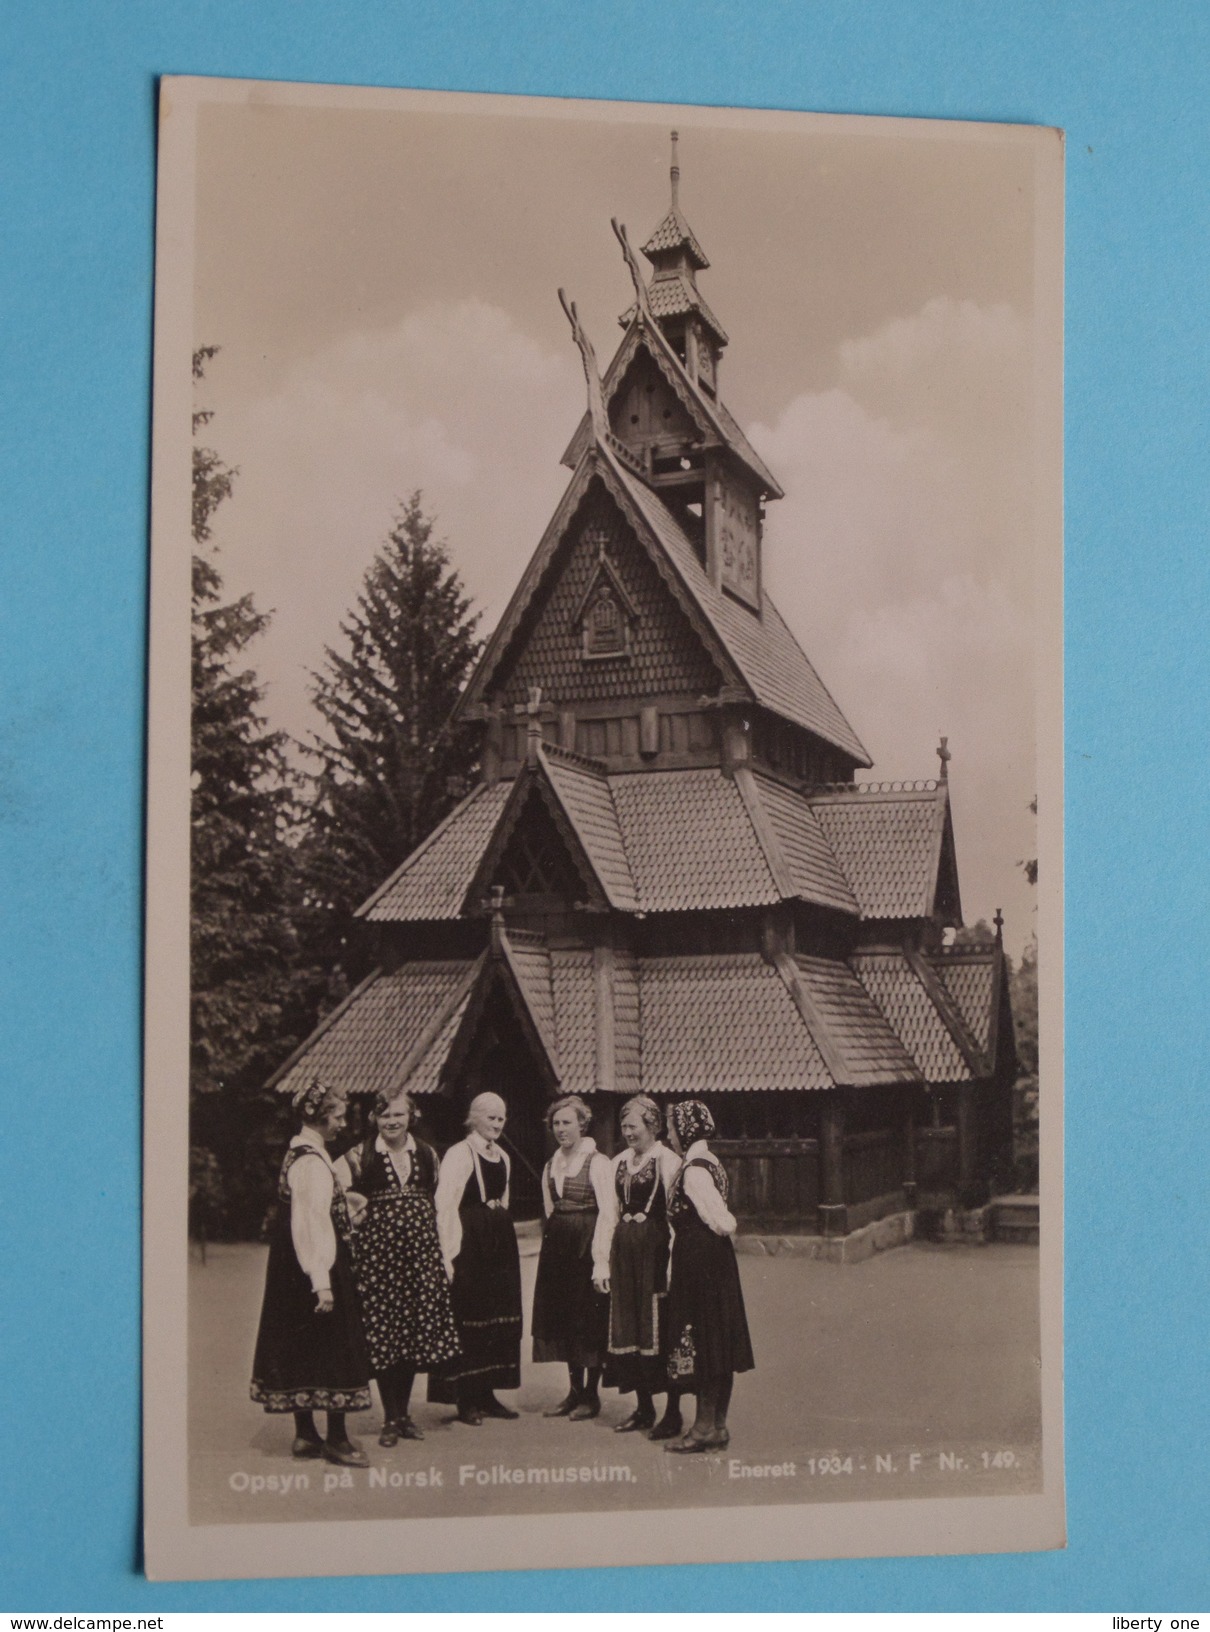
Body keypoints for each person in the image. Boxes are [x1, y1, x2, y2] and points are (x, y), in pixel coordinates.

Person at [250, 1080, 372, 1466]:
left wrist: (345, 1204)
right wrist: (322, 1282)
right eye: (337, 1117)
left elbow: (312, 1213)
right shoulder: (311, 1163)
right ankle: (336, 1439)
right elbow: (311, 1223)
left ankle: (305, 1435)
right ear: (319, 1119)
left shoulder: (301, 1154)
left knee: (303, 1344)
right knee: (336, 1344)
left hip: (293, 1267)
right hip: (315, 1265)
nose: (342, 1125)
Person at [334, 1089, 461, 1446]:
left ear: (411, 1117)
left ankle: (404, 1414)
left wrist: (441, 1257)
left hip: (418, 1258)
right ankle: (390, 1417)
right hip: (378, 1263)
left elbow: (436, 1203)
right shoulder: (358, 1156)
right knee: (384, 1337)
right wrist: (357, 1218)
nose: (391, 1122)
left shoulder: (426, 1153)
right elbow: (335, 1197)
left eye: (398, 1115)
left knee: (410, 1338)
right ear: (374, 1119)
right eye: (385, 1115)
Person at [662, 1099, 755, 1453]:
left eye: (672, 1128)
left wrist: (705, 1234)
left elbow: (722, 1220)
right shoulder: (708, 1160)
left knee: (703, 1337)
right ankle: (716, 1425)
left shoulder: (695, 1170)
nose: (669, 1135)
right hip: (712, 1260)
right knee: (717, 1337)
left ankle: (703, 1429)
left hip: (700, 1259)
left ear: (685, 1130)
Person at [428, 1091, 523, 1425]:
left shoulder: (504, 1156)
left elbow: (503, 1199)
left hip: (498, 1244)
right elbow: (445, 1205)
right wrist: (448, 1255)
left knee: (497, 1315)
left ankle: (487, 1392)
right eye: (491, 1118)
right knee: (470, 1314)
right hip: (470, 1244)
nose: (497, 1124)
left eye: (501, 1118)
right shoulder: (459, 1153)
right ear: (474, 1118)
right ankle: (466, 1397)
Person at [603, 1094, 684, 1439]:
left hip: (655, 1251)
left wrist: (673, 1263)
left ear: (652, 1126)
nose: (627, 1133)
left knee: (660, 1327)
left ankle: (673, 1413)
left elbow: (677, 1217)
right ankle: (643, 1407)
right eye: (623, 1126)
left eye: (632, 1126)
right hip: (624, 1253)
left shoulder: (668, 1161)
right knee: (631, 1326)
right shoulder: (618, 1162)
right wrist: (600, 1263)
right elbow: (608, 1214)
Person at [531, 1094, 615, 1420]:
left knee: (588, 1321)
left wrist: (601, 1261)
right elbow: (550, 1209)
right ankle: (574, 1391)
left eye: (568, 1122)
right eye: (556, 1123)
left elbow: (609, 1213)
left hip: (587, 1249)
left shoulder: (598, 1163)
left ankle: (591, 1396)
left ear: (582, 1124)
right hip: (559, 1251)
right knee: (565, 1319)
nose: (561, 1129)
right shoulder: (551, 1165)